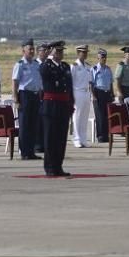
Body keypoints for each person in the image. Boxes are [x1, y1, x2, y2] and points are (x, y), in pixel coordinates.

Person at [39, 41, 74, 177]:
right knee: (50, 138)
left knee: (61, 138)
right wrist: (48, 57)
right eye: (57, 51)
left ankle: (58, 166)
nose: (60, 53)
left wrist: (71, 103)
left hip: (63, 105)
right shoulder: (46, 66)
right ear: (51, 51)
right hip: (51, 105)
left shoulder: (65, 66)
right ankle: (49, 167)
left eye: (61, 51)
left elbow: (69, 86)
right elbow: (44, 75)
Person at [12, 38, 42, 160]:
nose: (32, 51)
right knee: (24, 125)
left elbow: (38, 81)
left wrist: (40, 94)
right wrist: (16, 99)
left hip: (35, 95)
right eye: (29, 49)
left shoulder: (36, 64)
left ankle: (31, 151)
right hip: (24, 95)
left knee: (33, 124)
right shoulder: (20, 64)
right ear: (23, 50)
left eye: (32, 49)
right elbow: (15, 82)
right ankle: (24, 152)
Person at [70, 44, 92, 148]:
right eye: (83, 52)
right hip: (77, 92)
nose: (85, 54)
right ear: (78, 53)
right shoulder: (74, 66)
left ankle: (83, 139)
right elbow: (70, 81)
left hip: (86, 92)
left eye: (86, 52)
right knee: (77, 116)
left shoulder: (88, 66)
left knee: (84, 116)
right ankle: (76, 139)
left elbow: (90, 81)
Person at [91, 48, 113, 144]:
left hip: (107, 93)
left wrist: (112, 93)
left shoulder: (108, 69)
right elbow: (91, 84)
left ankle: (106, 135)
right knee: (100, 115)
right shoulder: (94, 69)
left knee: (107, 115)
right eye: (102, 57)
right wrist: (93, 95)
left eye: (105, 57)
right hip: (98, 93)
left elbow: (111, 83)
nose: (104, 59)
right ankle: (100, 136)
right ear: (98, 58)